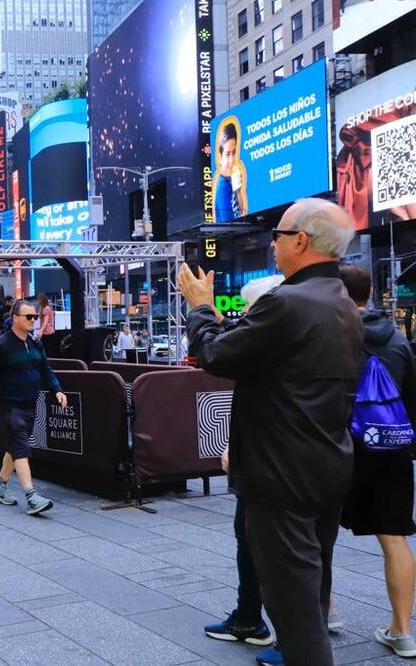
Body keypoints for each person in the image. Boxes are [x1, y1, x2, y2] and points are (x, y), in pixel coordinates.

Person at [179, 198, 362, 666]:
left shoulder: (289, 301)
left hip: (281, 474)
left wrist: (200, 308)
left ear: (300, 240)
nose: (271, 244)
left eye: (277, 236)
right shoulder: (340, 300)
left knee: (294, 611)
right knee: (311, 595)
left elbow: (217, 356)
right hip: (326, 465)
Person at [203, 275, 285, 651]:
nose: (247, 317)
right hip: (266, 457)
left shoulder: (276, 342)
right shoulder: (278, 338)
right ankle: (250, 617)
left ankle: (293, 634)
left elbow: (215, 354)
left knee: (276, 548)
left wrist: (201, 311)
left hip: (276, 463)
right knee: (251, 540)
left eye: (251, 310)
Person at [339, 264, 416, 659]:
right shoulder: (398, 339)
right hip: (391, 450)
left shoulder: (333, 333)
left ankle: (326, 613)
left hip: (340, 448)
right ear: (370, 293)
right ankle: (402, 630)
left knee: (317, 534)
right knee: (395, 539)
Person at [0, 299, 65, 516]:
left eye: (35, 317)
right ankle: (31, 496)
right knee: (21, 446)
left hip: (30, 403)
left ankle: (0, 488)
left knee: (15, 447)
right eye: (29, 317)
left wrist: (57, 390)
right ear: (15, 318)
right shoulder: (0, 345)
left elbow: (45, 369)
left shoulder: (36, 344)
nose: (34, 320)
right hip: (9, 405)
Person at [213, 120, 248, 223]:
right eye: (227, 154)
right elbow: (228, 224)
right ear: (220, 157)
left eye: (234, 153)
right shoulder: (222, 185)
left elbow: (241, 212)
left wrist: (238, 190)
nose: (232, 160)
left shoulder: (231, 179)